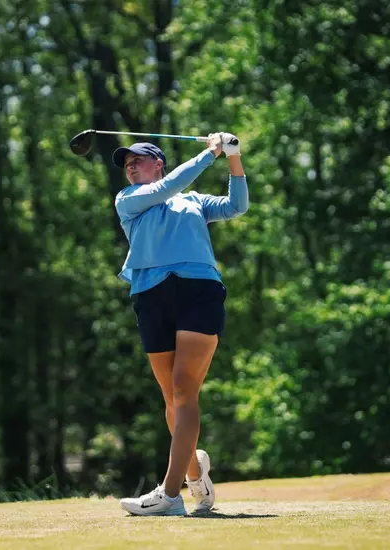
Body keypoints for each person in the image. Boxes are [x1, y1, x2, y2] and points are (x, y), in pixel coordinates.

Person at [112, 132, 248, 515]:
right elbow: (170, 186)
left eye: (138, 160)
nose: (131, 167)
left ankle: (170, 496)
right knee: (171, 398)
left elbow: (237, 205)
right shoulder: (128, 200)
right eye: (127, 164)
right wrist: (211, 153)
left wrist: (232, 156)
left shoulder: (194, 201)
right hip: (151, 294)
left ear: (158, 162)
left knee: (185, 391)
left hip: (198, 290)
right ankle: (194, 470)